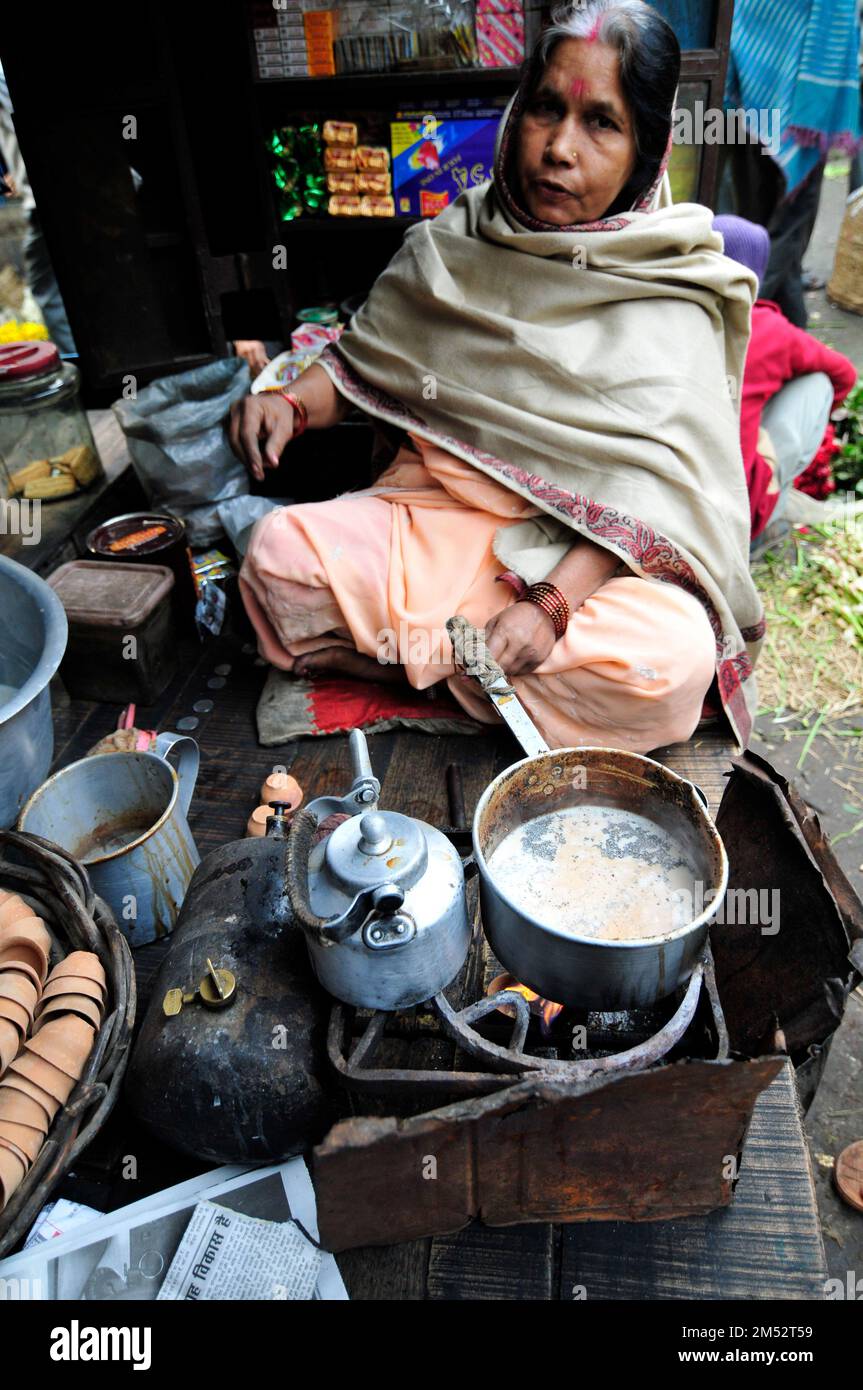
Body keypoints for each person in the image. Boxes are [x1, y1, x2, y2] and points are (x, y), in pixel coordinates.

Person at [230, 0, 764, 755]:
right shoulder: (455, 243)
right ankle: (470, 677)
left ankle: (391, 667)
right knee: (277, 555)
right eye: (547, 109)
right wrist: (289, 401)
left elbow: (655, 506)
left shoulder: (672, 289)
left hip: (586, 565)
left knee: (667, 665)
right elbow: (363, 362)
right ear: (518, 114)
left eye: (601, 124)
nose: (558, 149)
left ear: (647, 148)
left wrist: (547, 607)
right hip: (435, 523)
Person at [713, 215, 858, 553]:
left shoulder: (666, 313)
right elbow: (844, 376)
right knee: (817, 384)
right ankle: (766, 521)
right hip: (735, 516)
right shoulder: (765, 327)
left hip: (659, 503)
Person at [721, 0, 862, 329]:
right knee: (786, 227)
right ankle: (739, 315)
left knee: (764, 223)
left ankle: (785, 333)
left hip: (753, 86)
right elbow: (833, 35)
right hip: (796, 113)